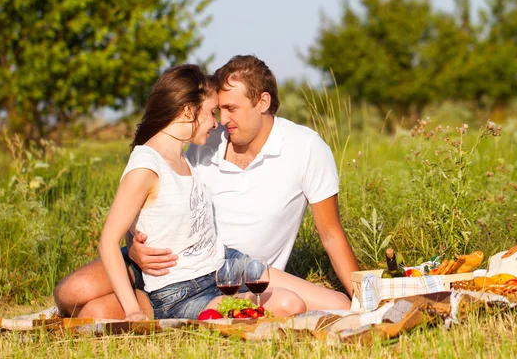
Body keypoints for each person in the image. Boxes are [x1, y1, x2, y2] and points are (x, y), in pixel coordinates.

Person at [53, 63, 348, 319]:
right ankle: (139, 303)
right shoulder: (152, 161)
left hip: (222, 264)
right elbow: (115, 232)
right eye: (212, 112)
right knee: (75, 294)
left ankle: (140, 305)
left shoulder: (186, 156)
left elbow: (154, 211)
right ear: (187, 112)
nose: (218, 123)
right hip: (178, 283)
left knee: (338, 304)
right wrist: (133, 261)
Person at [128, 55, 360, 308]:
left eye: (231, 109)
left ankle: (149, 305)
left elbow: (331, 234)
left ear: (262, 102)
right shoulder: (206, 142)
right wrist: (133, 248)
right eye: (219, 109)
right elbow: (155, 200)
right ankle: (147, 301)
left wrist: (364, 300)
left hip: (242, 273)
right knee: (78, 288)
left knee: (339, 306)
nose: (223, 120)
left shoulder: (305, 147)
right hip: (174, 263)